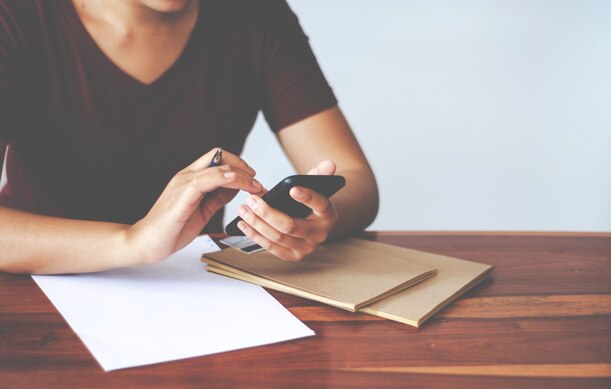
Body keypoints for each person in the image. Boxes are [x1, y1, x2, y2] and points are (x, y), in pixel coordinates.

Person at [0, 0, 378, 274]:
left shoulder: (256, 16)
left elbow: (354, 177)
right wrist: (133, 242)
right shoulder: (16, 17)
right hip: (38, 284)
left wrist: (317, 218)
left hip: (200, 284)